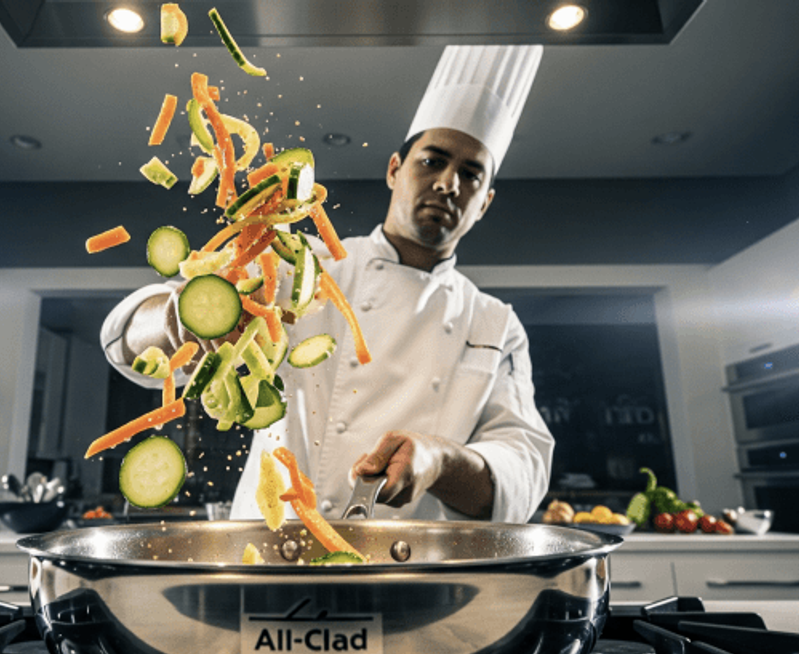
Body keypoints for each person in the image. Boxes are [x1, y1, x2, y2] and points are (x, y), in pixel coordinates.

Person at [101, 46, 553, 523]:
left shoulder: (494, 324)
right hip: (267, 557)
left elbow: (521, 473)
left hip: (407, 574)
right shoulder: (296, 265)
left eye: (470, 174)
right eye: (432, 161)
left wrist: (439, 461)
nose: (447, 183)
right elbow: (124, 341)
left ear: (484, 202)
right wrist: (175, 320)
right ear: (395, 169)